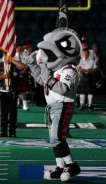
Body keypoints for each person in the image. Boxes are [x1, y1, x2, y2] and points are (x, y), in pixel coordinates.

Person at [27, 28, 81, 181]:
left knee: (57, 136)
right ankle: (60, 166)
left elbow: (62, 88)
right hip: (53, 106)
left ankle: (71, 165)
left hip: (63, 105)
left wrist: (44, 67)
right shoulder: (58, 69)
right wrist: (33, 64)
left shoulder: (69, 70)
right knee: (53, 138)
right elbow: (42, 80)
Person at [0, 53, 24, 138]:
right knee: (3, 113)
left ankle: (12, 132)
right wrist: (3, 76)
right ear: (4, 56)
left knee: (13, 113)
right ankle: (3, 132)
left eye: (10, 55)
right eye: (6, 55)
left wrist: (12, 60)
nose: (8, 57)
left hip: (12, 91)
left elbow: (23, 67)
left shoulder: (15, 65)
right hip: (3, 91)